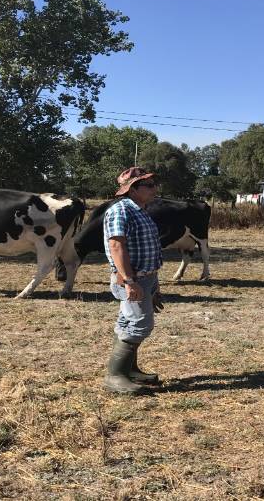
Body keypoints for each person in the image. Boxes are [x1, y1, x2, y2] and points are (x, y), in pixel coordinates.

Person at [102, 167, 164, 394]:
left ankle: (130, 369)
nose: (154, 188)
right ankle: (115, 376)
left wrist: (153, 285)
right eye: (148, 185)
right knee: (139, 324)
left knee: (128, 322)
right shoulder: (121, 210)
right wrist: (129, 281)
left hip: (145, 278)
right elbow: (116, 246)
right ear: (133, 189)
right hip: (132, 279)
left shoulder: (140, 210)